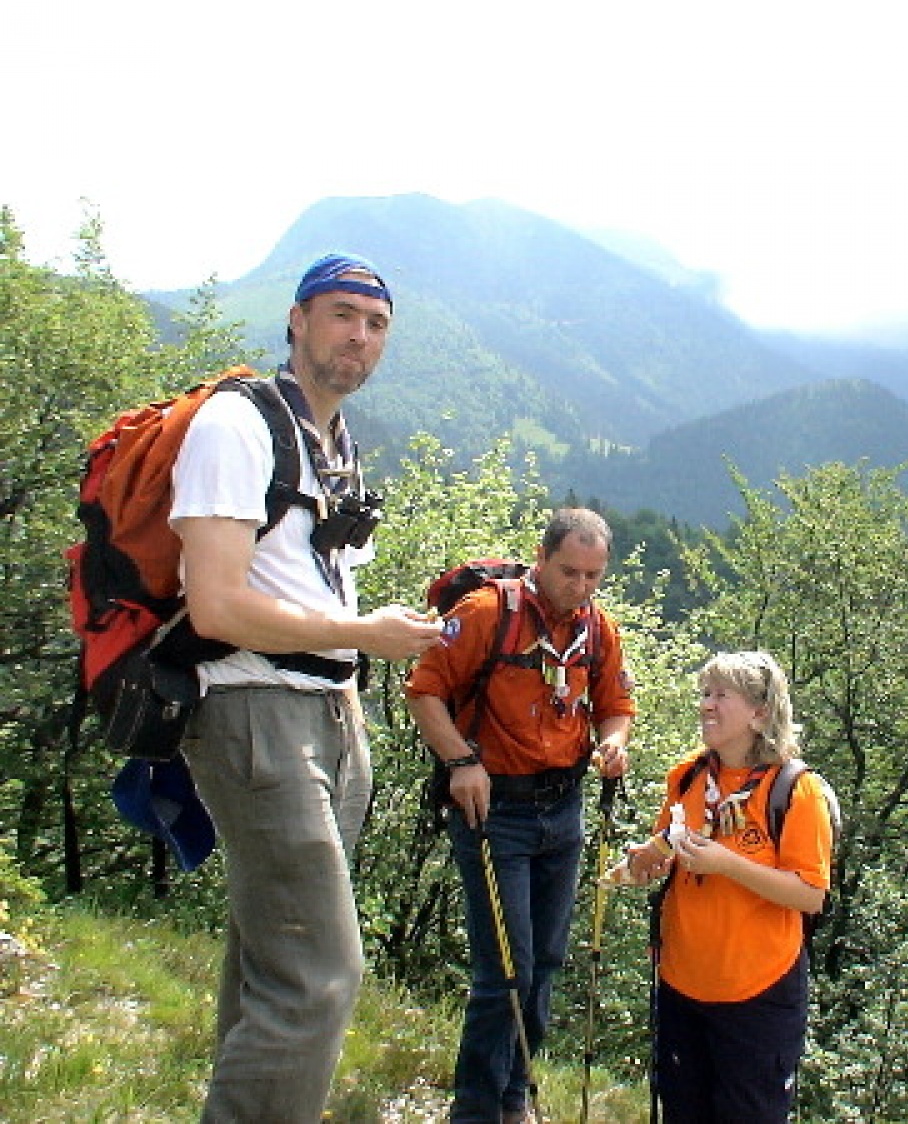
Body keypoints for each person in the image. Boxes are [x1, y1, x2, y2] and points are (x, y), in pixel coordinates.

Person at [171, 252, 444, 1121]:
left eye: (375, 326)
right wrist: (365, 638)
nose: (358, 338)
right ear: (295, 320)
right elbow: (215, 605)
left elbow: (317, 581)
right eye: (340, 316)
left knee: (272, 958)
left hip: (328, 717)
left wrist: (354, 689)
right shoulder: (236, 424)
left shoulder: (334, 441)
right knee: (323, 974)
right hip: (255, 710)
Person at [405, 507, 635, 1124]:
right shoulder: (487, 613)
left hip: (565, 806)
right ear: (542, 557)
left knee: (547, 961)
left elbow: (616, 705)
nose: (580, 587)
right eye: (569, 572)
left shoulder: (596, 628)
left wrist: (614, 742)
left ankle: (514, 1096)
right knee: (507, 969)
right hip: (494, 806)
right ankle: (476, 1109)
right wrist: (460, 761)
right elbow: (423, 689)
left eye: (593, 576)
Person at [614, 650, 833, 1124]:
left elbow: (811, 894)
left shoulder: (795, 790)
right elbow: (670, 846)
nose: (706, 706)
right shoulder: (689, 775)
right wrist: (645, 863)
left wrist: (729, 864)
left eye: (721, 696)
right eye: (704, 694)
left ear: (760, 712)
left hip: (758, 991)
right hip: (681, 982)